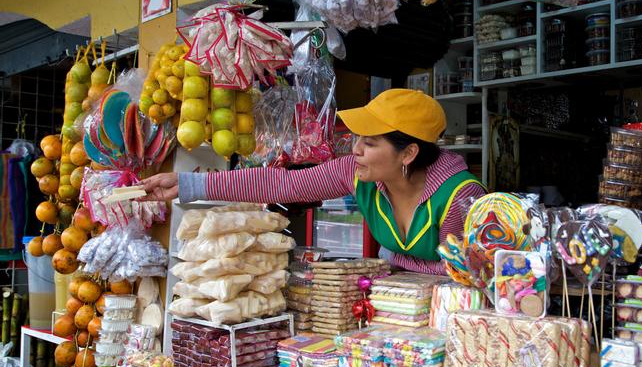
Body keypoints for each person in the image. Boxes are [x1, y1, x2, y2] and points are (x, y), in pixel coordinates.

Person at [141, 88, 486, 274]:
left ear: (408, 153)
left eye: (370, 142)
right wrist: (188, 186)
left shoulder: (459, 196)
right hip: (390, 313)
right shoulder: (356, 171)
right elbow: (281, 185)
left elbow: (464, 274)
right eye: (357, 139)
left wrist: (391, 262)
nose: (356, 149)